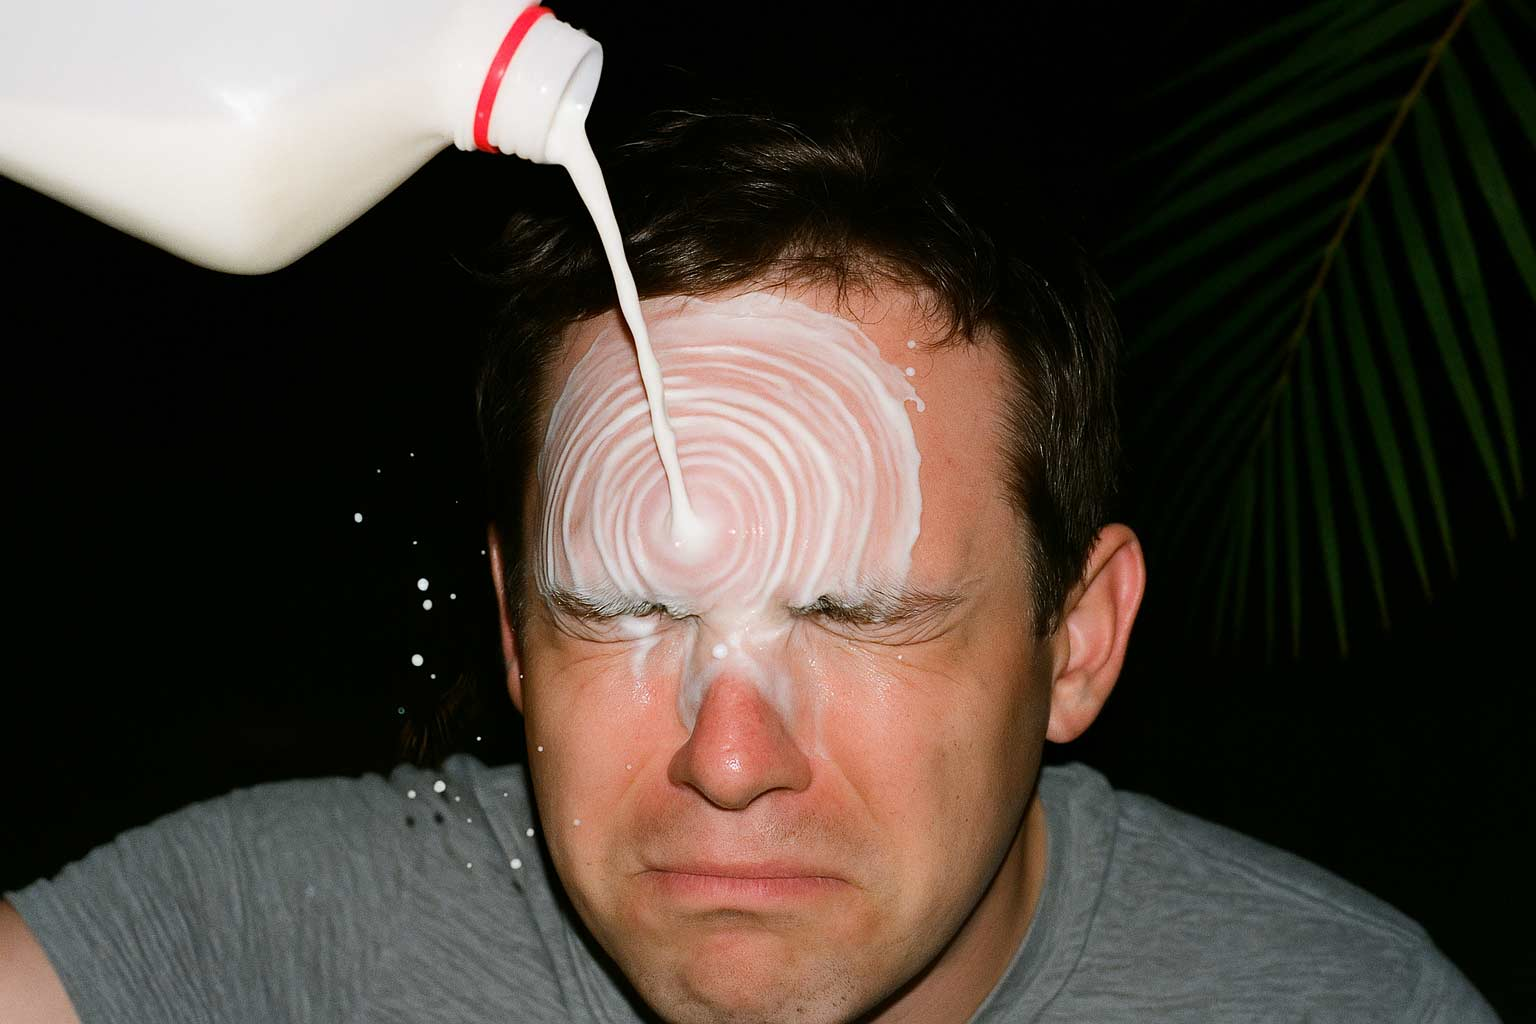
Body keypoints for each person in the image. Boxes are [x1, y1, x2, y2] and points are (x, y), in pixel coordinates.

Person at [0, 107, 1497, 1024]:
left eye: (856, 614)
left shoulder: (1347, 1009)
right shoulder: (278, 946)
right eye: (621, 608)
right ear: (513, 633)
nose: (726, 759)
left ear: (1079, 640)